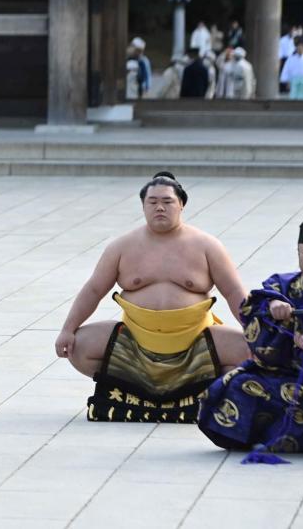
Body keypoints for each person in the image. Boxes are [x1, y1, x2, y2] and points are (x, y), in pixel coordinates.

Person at [54, 172, 250, 422]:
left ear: (181, 205)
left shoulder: (207, 246)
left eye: (167, 202)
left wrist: (255, 330)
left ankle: (201, 390)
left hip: (194, 340)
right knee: (78, 347)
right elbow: (94, 290)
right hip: (136, 341)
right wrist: (67, 329)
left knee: (250, 351)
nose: (160, 207)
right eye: (152, 201)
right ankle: (136, 389)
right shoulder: (121, 247)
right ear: (143, 206)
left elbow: (234, 293)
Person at [198, 209, 303, 455]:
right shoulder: (280, 284)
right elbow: (254, 307)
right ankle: (252, 436)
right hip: (285, 374)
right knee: (238, 384)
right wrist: (273, 308)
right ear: (298, 254)